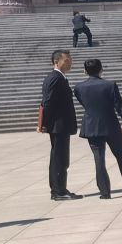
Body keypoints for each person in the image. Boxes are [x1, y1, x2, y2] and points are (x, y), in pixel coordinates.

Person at [71, 57, 122, 198]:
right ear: (101, 69)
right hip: (111, 125)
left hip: (91, 127)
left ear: (84, 71)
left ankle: (105, 192)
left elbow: (85, 105)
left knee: (99, 159)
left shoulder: (78, 88)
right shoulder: (110, 85)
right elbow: (120, 107)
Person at [40, 50, 81, 201]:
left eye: (70, 60)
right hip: (58, 125)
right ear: (56, 62)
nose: (70, 63)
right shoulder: (55, 78)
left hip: (60, 125)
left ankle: (60, 189)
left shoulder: (60, 78)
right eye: (66, 61)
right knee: (59, 159)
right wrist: (46, 124)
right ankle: (58, 191)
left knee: (60, 158)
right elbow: (47, 102)